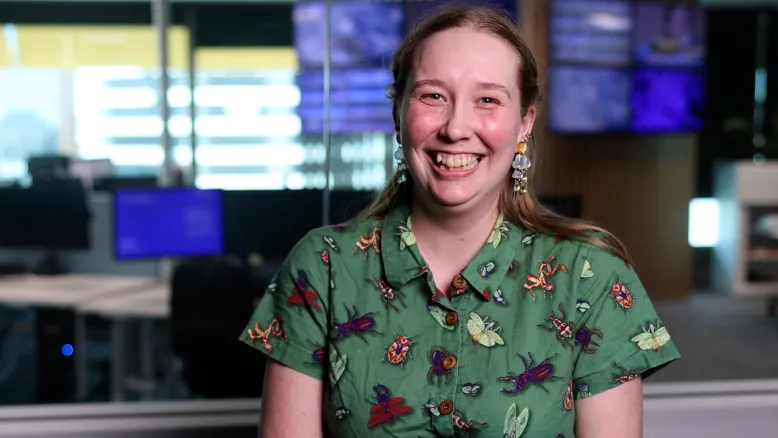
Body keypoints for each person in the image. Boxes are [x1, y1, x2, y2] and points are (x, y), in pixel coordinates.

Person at [241, 5, 681, 437]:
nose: (456, 128)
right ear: (398, 113)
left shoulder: (592, 277)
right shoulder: (322, 267)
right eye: (433, 96)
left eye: (487, 100)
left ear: (524, 123)